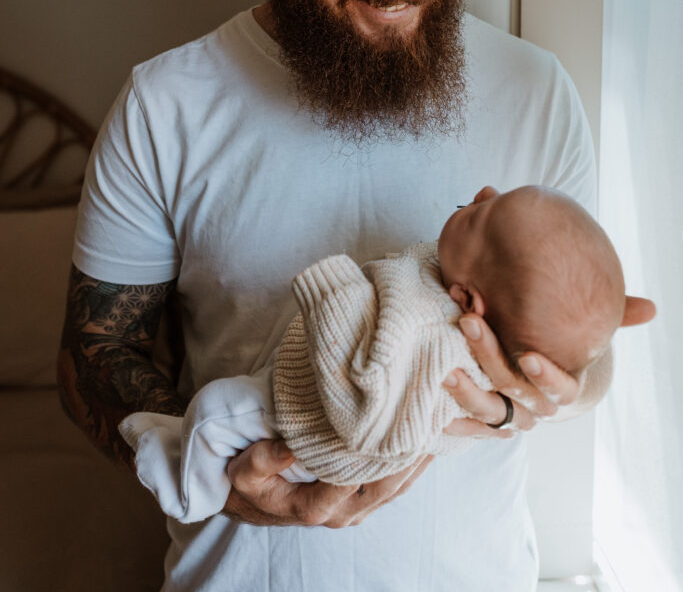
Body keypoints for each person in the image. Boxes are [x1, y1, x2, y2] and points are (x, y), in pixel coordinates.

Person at [57, 0, 655, 592]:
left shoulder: (535, 94)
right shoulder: (166, 106)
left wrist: (519, 404)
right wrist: (217, 477)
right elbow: (95, 360)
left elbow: (562, 354)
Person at [119, 184, 626, 526]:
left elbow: (369, 422)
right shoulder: (458, 285)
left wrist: (335, 291)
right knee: (219, 417)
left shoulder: (431, 332)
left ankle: (190, 495)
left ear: (471, 302)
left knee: (214, 410)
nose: (484, 192)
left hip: (308, 428)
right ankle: (177, 444)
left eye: (481, 216)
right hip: (297, 397)